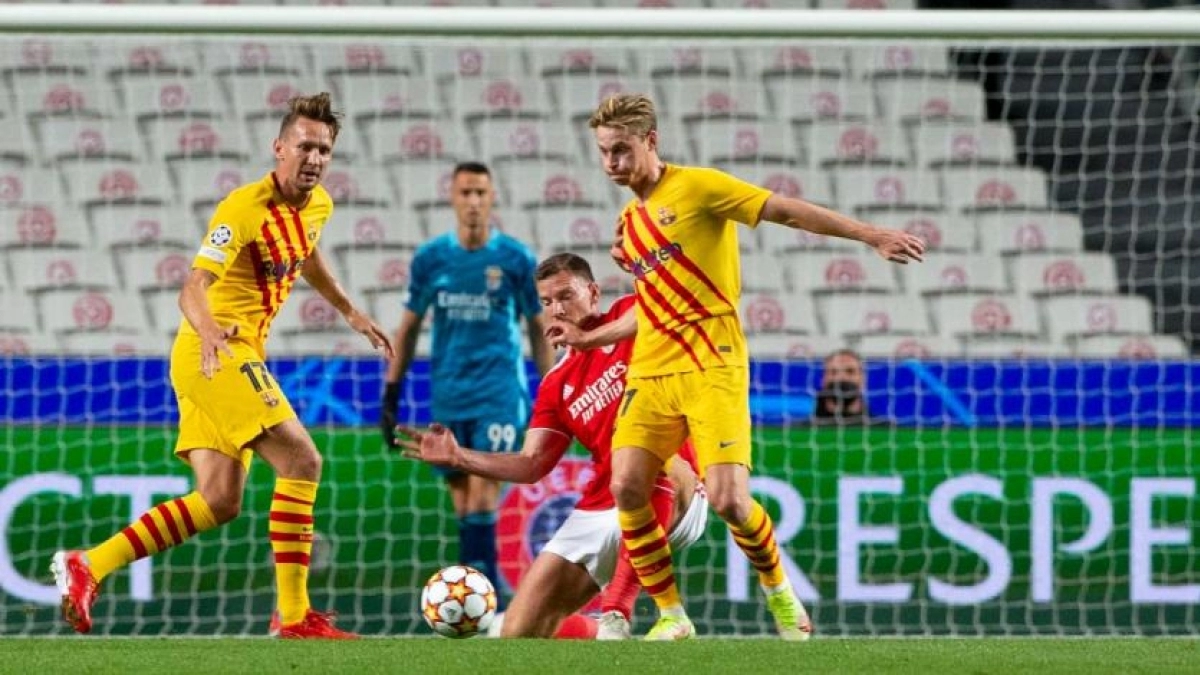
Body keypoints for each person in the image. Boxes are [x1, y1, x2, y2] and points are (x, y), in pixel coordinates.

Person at [580, 92, 926, 640]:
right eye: (603, 153)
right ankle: (671, 616)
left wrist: (872, 235)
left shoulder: (699, 187)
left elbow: (785, 208)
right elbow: (654, 306)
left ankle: (781, 594)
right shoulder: (628, 222)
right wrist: (593, 335)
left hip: (711, 366)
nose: (611, 165)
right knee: (627, 486)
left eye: (621, 150)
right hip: (651, 370)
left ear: (651, 140)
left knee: (728, 500)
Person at [51, 92, 393, 639]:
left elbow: (303, 253)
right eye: (305, 146)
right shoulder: (242, 207)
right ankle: (295, 616)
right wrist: (211, 332)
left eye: (324, 150)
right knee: (302, 460)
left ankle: (89, 564)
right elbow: (193, 287)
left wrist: (350, 311)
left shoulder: (319, 204)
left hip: (228, 356)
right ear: (278, 147)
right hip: (214, 351)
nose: (314, 158)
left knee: (218, 501)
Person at [394, 252, 708, 640]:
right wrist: (461, 457)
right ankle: (608, 643)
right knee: (520, 631)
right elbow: (532, 463)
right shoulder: (556, 385)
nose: (556, 310)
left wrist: (591, 339)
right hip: (604, 501)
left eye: (565, 296)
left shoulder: (627, 316)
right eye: (546, 303)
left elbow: (659, 310)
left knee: (652, 458)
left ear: (593, 293)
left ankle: (617, 615)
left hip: (679, 486)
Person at [380, 162, 555, 605]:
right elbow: (408, 329)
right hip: (450, 392)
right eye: (466, 193)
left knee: (482, 496)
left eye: (481, 193)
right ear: (453, 198)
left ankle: (484, 605)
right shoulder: (431, 259)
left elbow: (537, 328)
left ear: (492, 197)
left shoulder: (516, 258)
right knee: (462, 504)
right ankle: (475, 604)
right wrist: (391, 394)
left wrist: (552, 391)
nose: (474, 202)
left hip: (499, 392)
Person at [813, 348, 873, 424]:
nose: (842, 377)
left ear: (863, 379)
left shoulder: (883, 429)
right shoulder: (802, 430)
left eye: (850, 371)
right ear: (823, 380)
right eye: (834, 372)